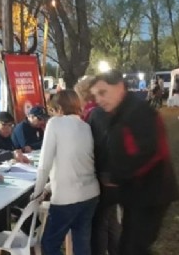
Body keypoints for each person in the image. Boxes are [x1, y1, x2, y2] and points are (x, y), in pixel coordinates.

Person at [89, 71, 179, 255]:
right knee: (131, 247)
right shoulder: (117, 113)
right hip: (135, 193)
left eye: (103, 92)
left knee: (133, 248)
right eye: (95, 95)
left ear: (120, 87)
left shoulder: (139, 112)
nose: (98, 99)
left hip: (152, 192)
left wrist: (117, 176)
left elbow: (151, 152)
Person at [33, 90, 100, 255]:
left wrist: (37, 193)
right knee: (82, 245)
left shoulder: (55, 123)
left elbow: (44, 165)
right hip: (90, 194)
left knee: (49, 245)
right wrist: (48, 187)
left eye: (53, 110)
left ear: (59, 109)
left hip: (67, 198)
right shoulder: (85, 127)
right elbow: (76, 164)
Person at [75, 78, 121, 255]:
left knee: (99, 222)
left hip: (104, 174)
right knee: (110, 219)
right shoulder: (107, 110)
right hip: (114, 172)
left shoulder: (94, 114)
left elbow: (97, 145)